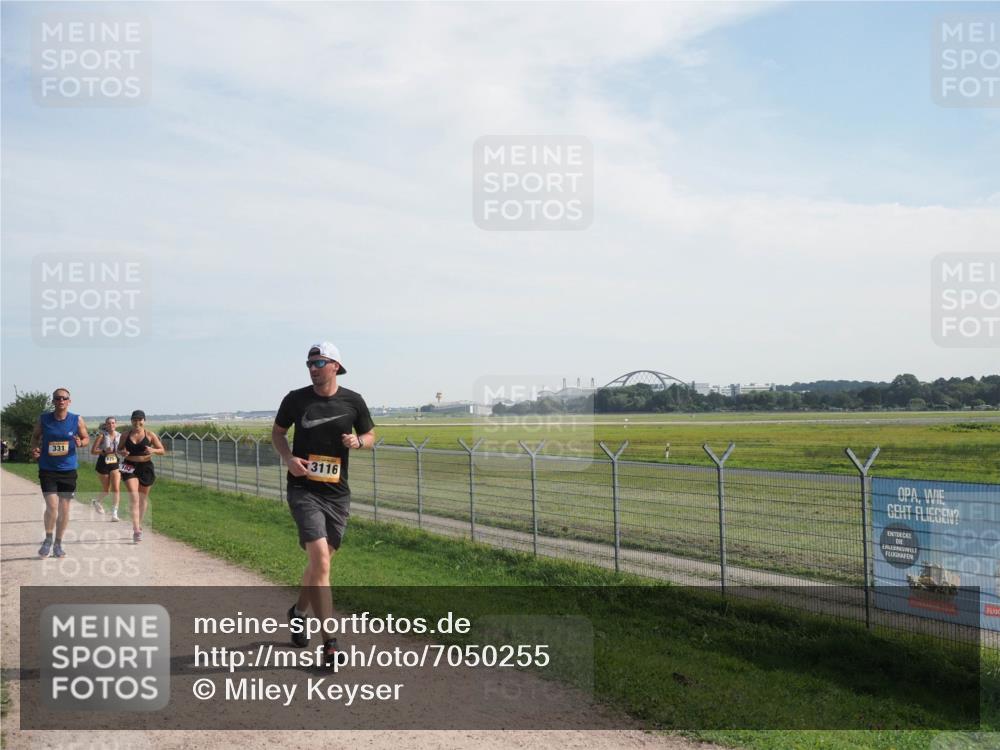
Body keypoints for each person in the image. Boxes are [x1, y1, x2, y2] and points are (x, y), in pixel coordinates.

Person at [272, 342, 376, 667]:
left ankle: (299, 612)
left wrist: (358, 442)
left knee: (320, 567)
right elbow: (277, 434)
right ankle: (330, 643)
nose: (312, 367)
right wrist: (288, 459)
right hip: (303, 489)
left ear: (335, 366)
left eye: (319, 362)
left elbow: (371, 435)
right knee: (321, 562)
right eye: (309, 363)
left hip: (337, 493)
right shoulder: (295, 399)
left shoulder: (353, 401)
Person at [31, 388, 89, 558]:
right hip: (48, 469)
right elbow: (35, 437)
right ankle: (48, 539)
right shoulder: (44, 419)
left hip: (68, 471)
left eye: (64, 398)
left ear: (69, 401)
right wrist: (35, 449)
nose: (61, 400)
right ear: (53, 401)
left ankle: (58, 543)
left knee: (64, 509)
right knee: (52, 506)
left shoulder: (76, 419)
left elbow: (85, 438)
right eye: (58, 398)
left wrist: (81, 442)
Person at [120, 410, 165, 543]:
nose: (137, 422)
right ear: (131, 421)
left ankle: (138, 524)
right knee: (134, 497)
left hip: (146, 467)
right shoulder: (125, 435)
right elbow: (119, 449)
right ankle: (136, 529)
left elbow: (162, 450)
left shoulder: (150, 435)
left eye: (140, 420)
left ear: (144, 421)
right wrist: (122, 452)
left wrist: (153, 450)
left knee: (143, 498)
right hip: (129, 467)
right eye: (135, 419)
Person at [90, 417, 122, 521]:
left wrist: (124, 452)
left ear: (116, 424)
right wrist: (103, 451)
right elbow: (93, 451)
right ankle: (97, 501)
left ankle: (114, 513)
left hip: (115, 462)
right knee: (106, 490)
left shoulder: (120, 436)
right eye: (109, 423)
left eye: (113, 423)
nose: (111, 425)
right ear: (106, 425)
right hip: (103, 463)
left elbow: (122, 450)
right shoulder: (102, 436)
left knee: (116, 488)